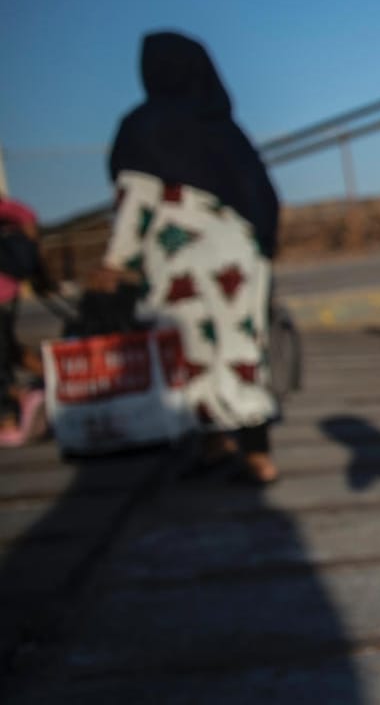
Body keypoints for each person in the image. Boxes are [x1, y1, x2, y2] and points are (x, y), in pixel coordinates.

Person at [96, 31, 282, 484]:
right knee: (241, 348)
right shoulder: (224, 126)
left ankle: (212, 443)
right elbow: (264, 197)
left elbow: (135, 199)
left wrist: (115, 262)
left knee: (189, 350)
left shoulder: (143, 126)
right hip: (239, 255)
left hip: (178, 258)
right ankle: (257, 455)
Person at [0, 194, 47, 447]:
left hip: (3, 289)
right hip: (6, 289)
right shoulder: (7, 207)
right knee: (9, 349)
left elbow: (26, 217)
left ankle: (10, 414)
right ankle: (55, 384)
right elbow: (26, 216)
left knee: (4, 353)